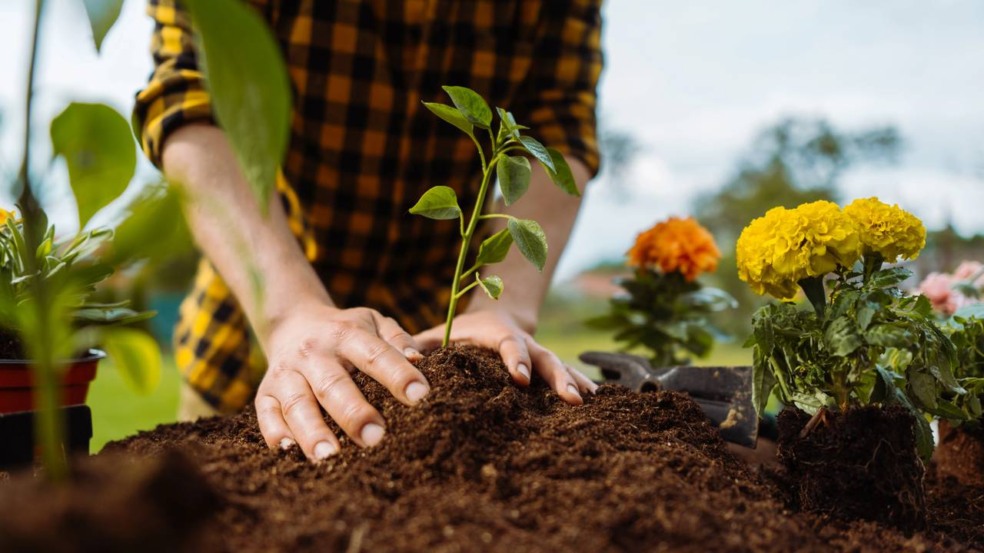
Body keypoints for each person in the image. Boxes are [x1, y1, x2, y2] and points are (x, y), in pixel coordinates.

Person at [133, 0, 604, 462]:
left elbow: (559, 129)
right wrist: (288, 315)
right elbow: (193, 94)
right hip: (252, 328)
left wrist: (502, 308)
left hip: (433, 340)